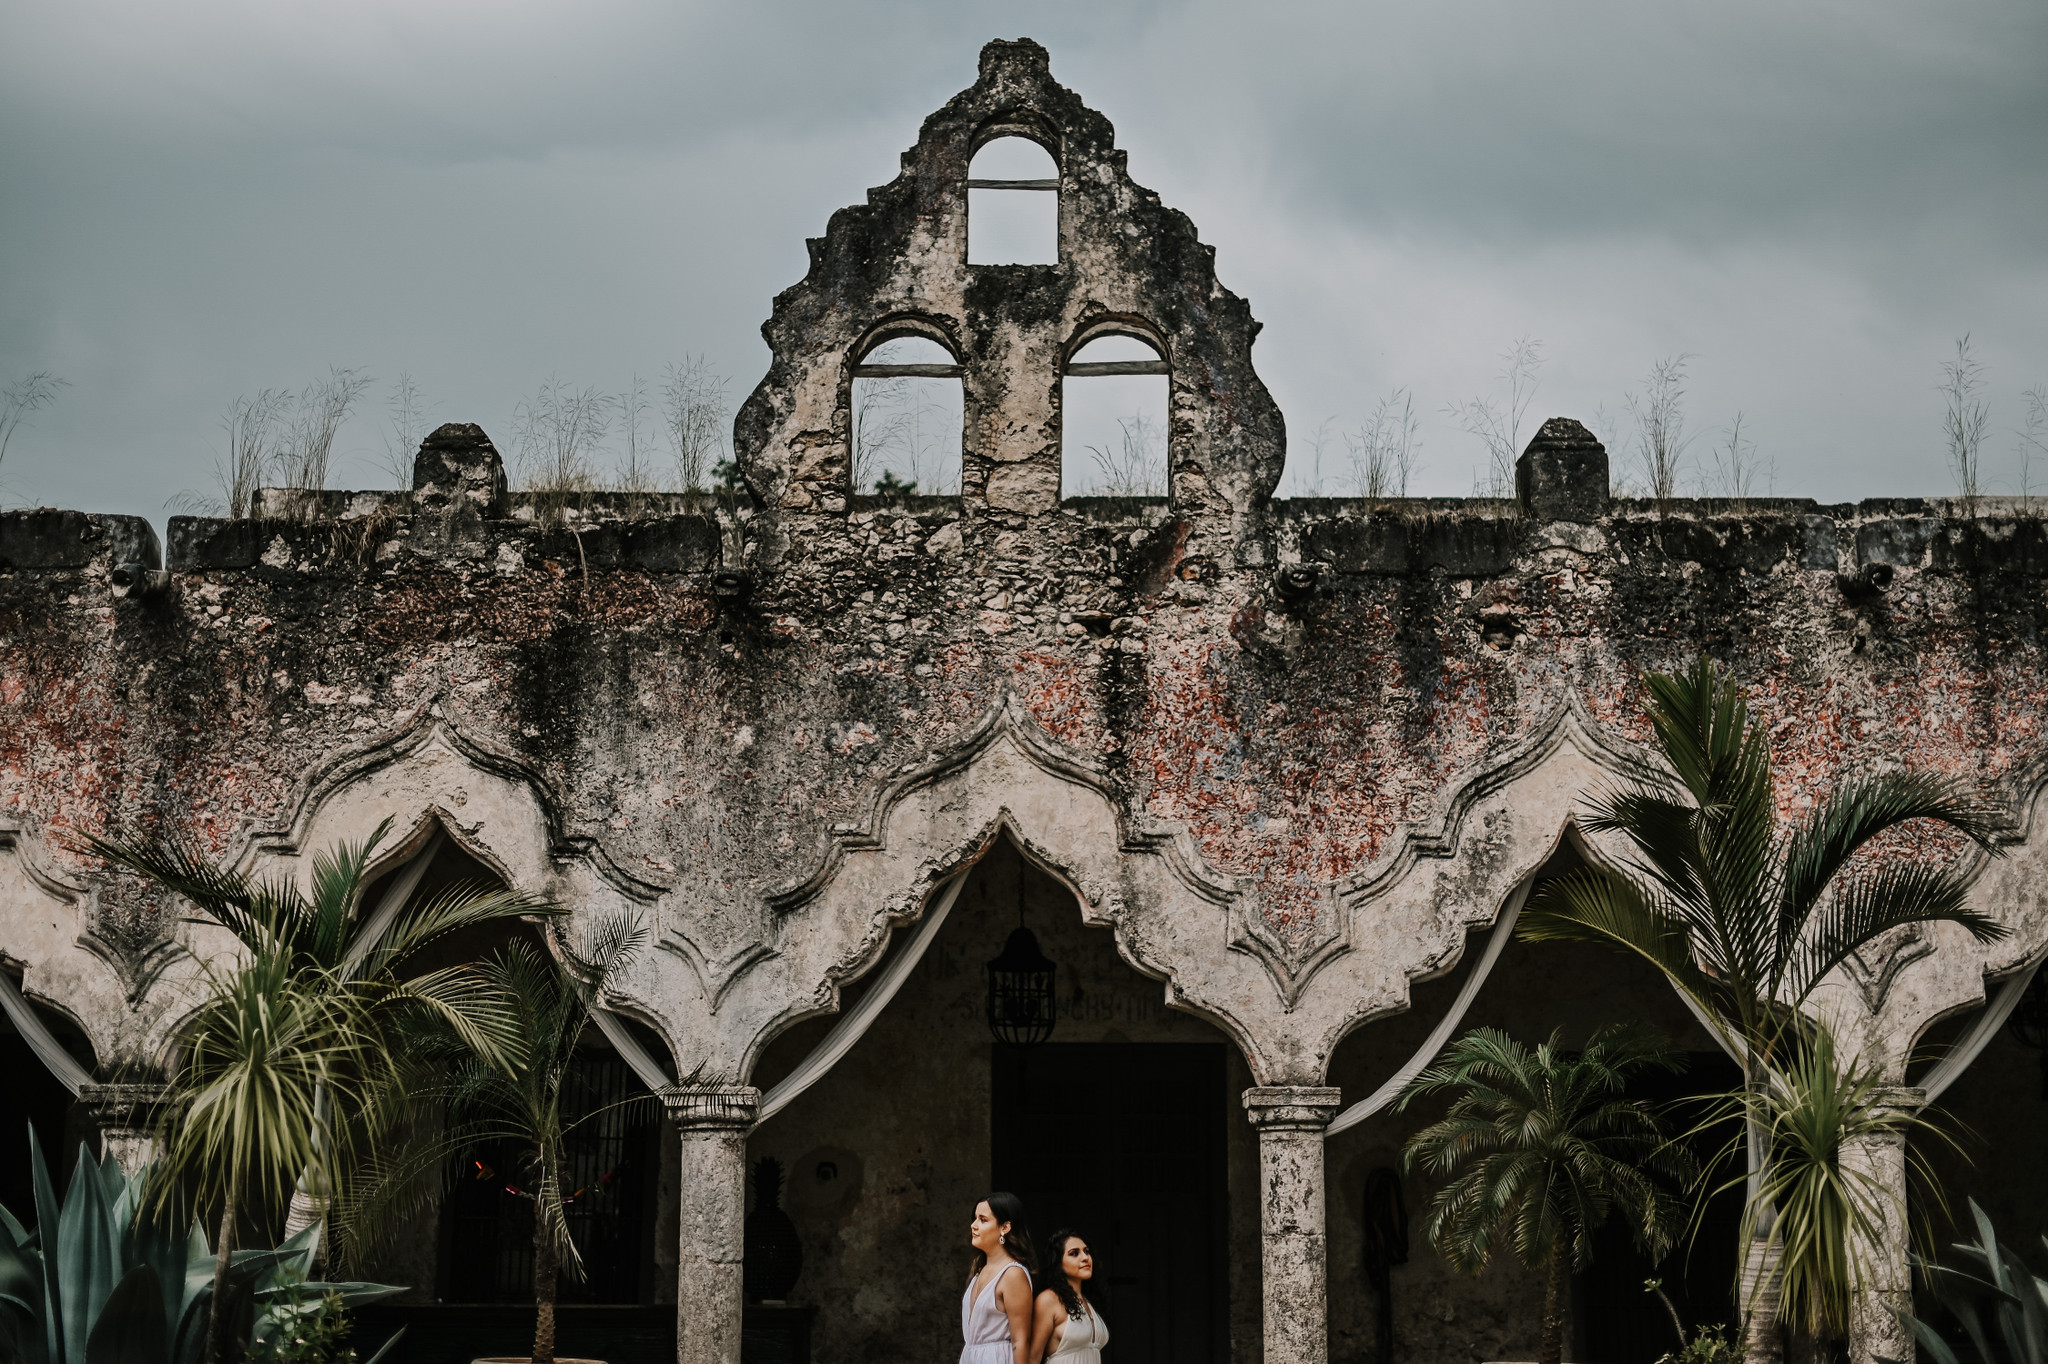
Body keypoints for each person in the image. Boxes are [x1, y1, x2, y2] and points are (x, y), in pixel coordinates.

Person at [962, 1192, 1037, 1364]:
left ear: (1005, 1227)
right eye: (974, 1219)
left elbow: (1021, 1341)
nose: (974, 1225)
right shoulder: (980, 1270)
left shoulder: (1012, 1274)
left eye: (983, 1219)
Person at [1032, 1229, 1109, 1363]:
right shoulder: (1049, 1300)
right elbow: (1032, 1358)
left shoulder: (1087, 1301)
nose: (1085, 1258)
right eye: (1074, 1253)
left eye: (1087, 1251)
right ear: (1058, 1262)